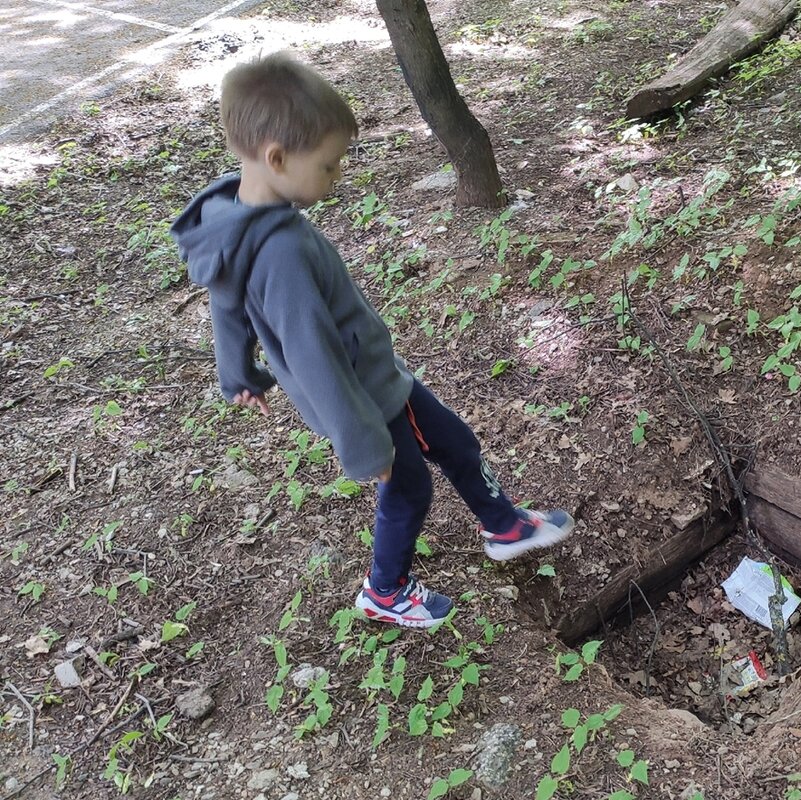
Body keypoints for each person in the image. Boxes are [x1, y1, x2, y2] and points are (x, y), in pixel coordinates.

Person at [171, 52, 573, 628]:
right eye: (329, 165)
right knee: (407, 492)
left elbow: (225, 298)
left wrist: (236, 373)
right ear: (277, 157)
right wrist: (362, 445)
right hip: (365, 400)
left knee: (455, 441)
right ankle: (385, 591)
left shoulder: (239, 217)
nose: (337, 176)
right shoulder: (278, 251)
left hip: (381, 377)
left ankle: (502, 524)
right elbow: (315, 359)